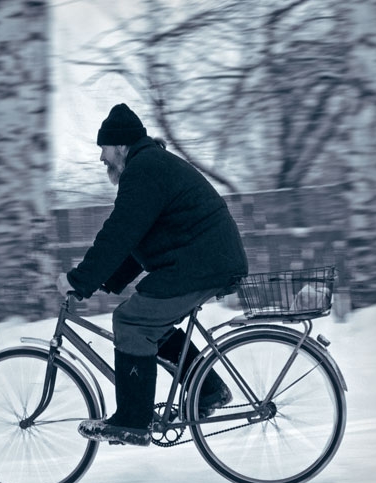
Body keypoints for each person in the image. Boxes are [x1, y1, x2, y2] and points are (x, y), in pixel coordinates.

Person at [57, 103, 248, 446]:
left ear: (119, 146)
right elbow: (137, 239)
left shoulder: (144, 169)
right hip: (202, 260)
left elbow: (119, 232)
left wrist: (79, 279)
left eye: (103, 148)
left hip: (201, 263)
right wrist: (103, 280)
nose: (101, 158)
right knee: (151, 322)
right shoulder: (150, 166)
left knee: (132, 321)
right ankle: (208, 391)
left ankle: (133, 420)